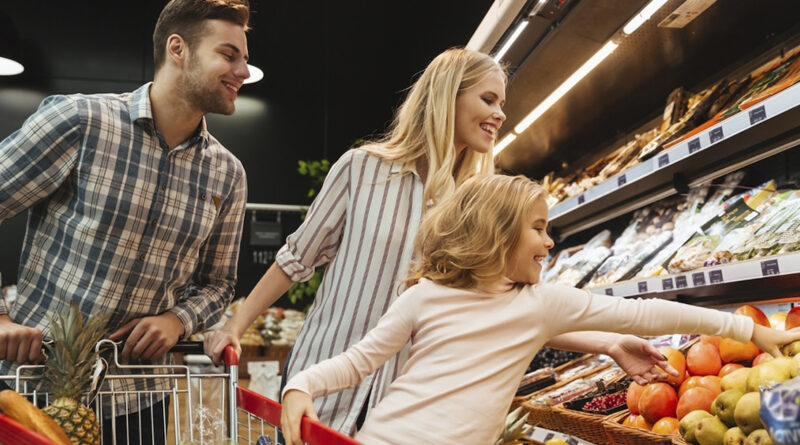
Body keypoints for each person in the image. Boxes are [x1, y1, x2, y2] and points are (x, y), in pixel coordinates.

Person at [204, 47, 678, 436]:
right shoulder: (362, 169)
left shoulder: (473, 206)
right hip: (324, 380)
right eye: (489, 99)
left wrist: (610, 344)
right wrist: (235, 323)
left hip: (404, 402)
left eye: (502, 104)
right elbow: (296, 258)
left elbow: (511, 310)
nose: (499, 113)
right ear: (448, 96)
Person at [279, 174, 800, 445]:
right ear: (494, 234)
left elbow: (648, 315)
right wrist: (302, 385)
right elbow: (359, 361)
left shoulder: (539, 305)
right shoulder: (423, 297)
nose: (548, 242)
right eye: (538, 228)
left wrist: (747, 331)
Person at [0, 0, 250, 442]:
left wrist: (178, 319)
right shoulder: (81, 121)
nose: (243, 71)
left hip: (140, 401)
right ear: (178, 48)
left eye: (245, 58)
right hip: (32, 389)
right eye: (229, 54)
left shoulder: (228, 175)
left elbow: (220, 284)